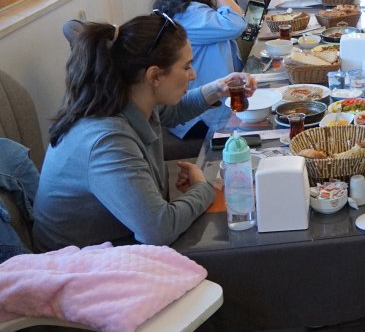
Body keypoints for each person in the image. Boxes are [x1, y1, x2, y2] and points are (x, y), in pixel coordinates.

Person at [32, 13, 256, 251]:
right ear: (155, 76)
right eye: (186, 66)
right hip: (77, 261)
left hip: (117, 241)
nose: (194, 75)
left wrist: (219, 88)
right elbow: (159, 229)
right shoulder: (108, 141)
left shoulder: (128, 96)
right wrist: (203, 187)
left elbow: (174, 111)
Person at [153, 0, 246, 138]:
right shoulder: (189, 14)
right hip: (198, 116)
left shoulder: (192, 8)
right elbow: (237, 24)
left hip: (210, 103)